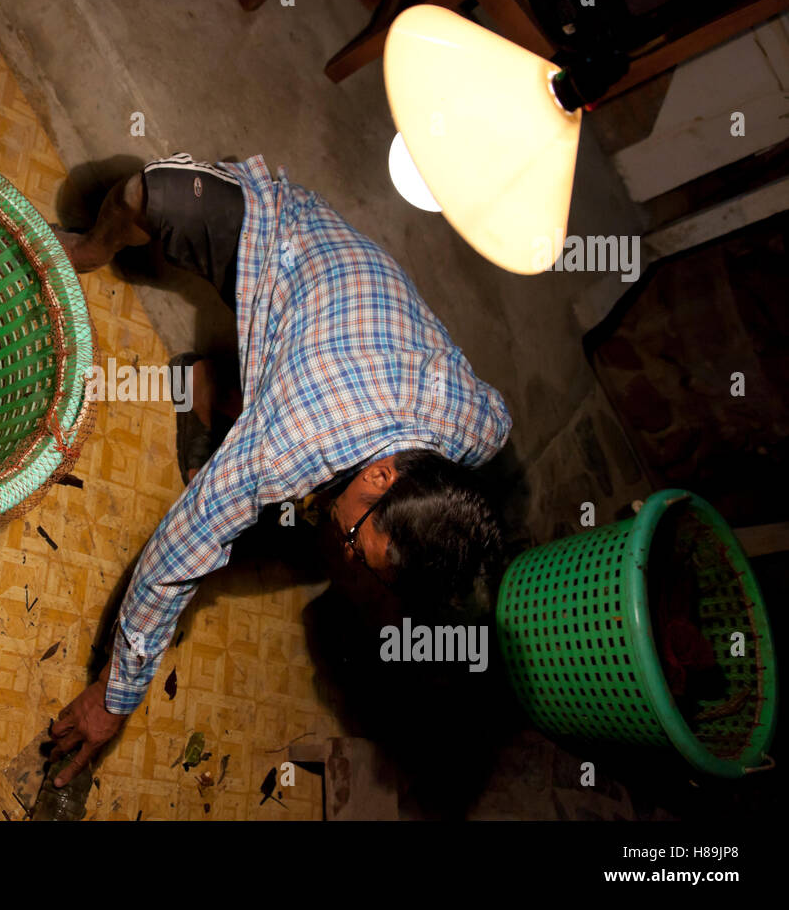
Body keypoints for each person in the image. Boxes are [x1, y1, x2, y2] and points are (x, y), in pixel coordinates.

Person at [46, 153, 512, 786]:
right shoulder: (289, 446)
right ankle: (97, 243)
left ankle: (209, 386)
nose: (347, 559)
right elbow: (168, 568)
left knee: (264, 500)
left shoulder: (479, 429)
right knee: (144, 195)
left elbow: (499, 411)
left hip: (327, 350)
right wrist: (112, 698)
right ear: (380, 477)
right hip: (283, 236)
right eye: (358, 546)